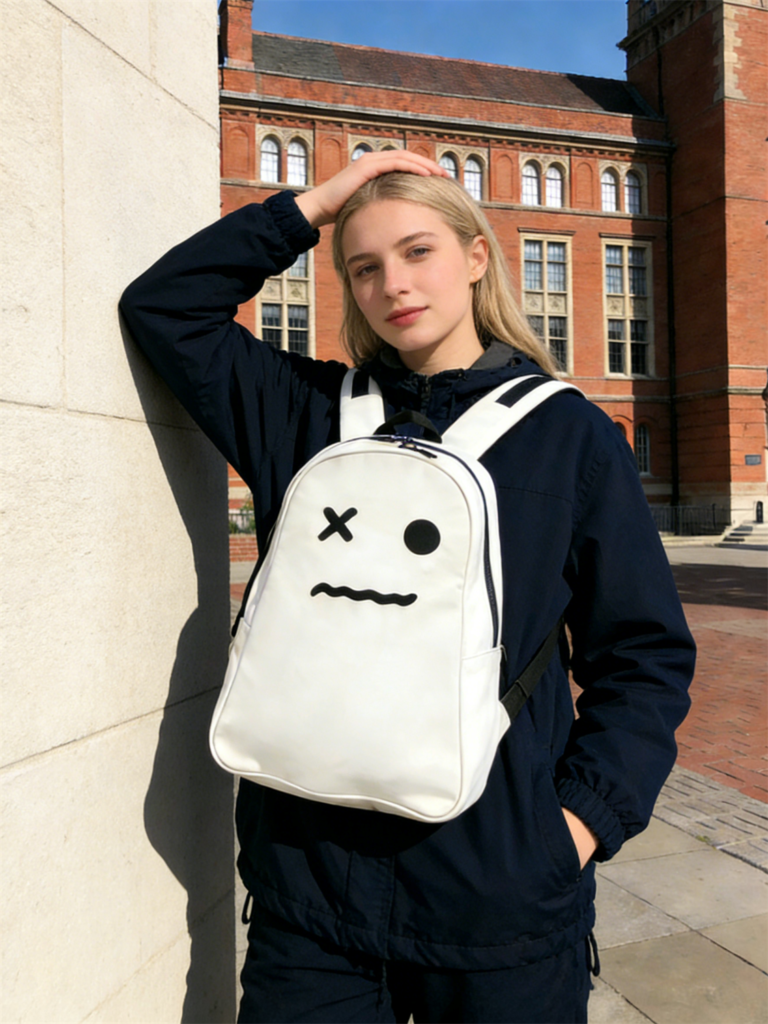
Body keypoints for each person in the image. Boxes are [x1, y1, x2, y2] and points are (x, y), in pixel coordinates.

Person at [120, 151, 695, 1023]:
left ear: (474, 256)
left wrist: (576, 827)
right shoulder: (306, 413)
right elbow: (163, 308)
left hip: (499, 894)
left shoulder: (571, 436)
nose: (394, 283)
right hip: (311, 895)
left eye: (418, 251)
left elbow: (643, 656)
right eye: (365, 266)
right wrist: (315, 203)